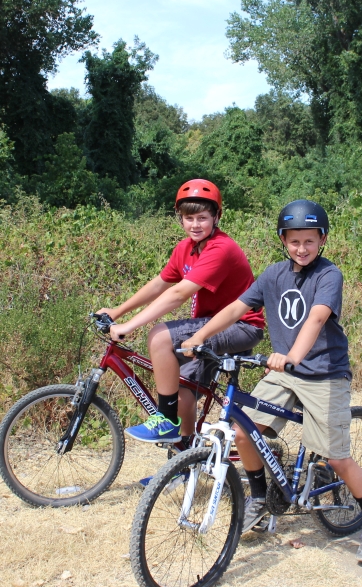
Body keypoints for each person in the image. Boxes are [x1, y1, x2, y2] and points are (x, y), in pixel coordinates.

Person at [182, 199, 362, 563]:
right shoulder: (274, 274)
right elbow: (235, 308)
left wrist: (293, 356)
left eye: (309, 241)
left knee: (337, 459)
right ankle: (261, 500)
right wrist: (202, 336)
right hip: (283, 373)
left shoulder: (329, 276)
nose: (302, 248)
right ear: (283, 240)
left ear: (322, 240)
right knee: (242, 431)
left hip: (323, 373)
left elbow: (315, 319)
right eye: (294, 241)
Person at [98, 178, 264, 446]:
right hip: (211, 324)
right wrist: (118, 311)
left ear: (217, 217)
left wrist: (129, 326)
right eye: (189, 218)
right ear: (180, 219)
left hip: (241, 325)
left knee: (159, 336)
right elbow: (160, 283)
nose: (195, 225)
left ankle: (166, 420)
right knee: (183, 390)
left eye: (202, 218)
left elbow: (178, 294)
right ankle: (185, 458)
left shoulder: (221, 248)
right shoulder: (185, 249)